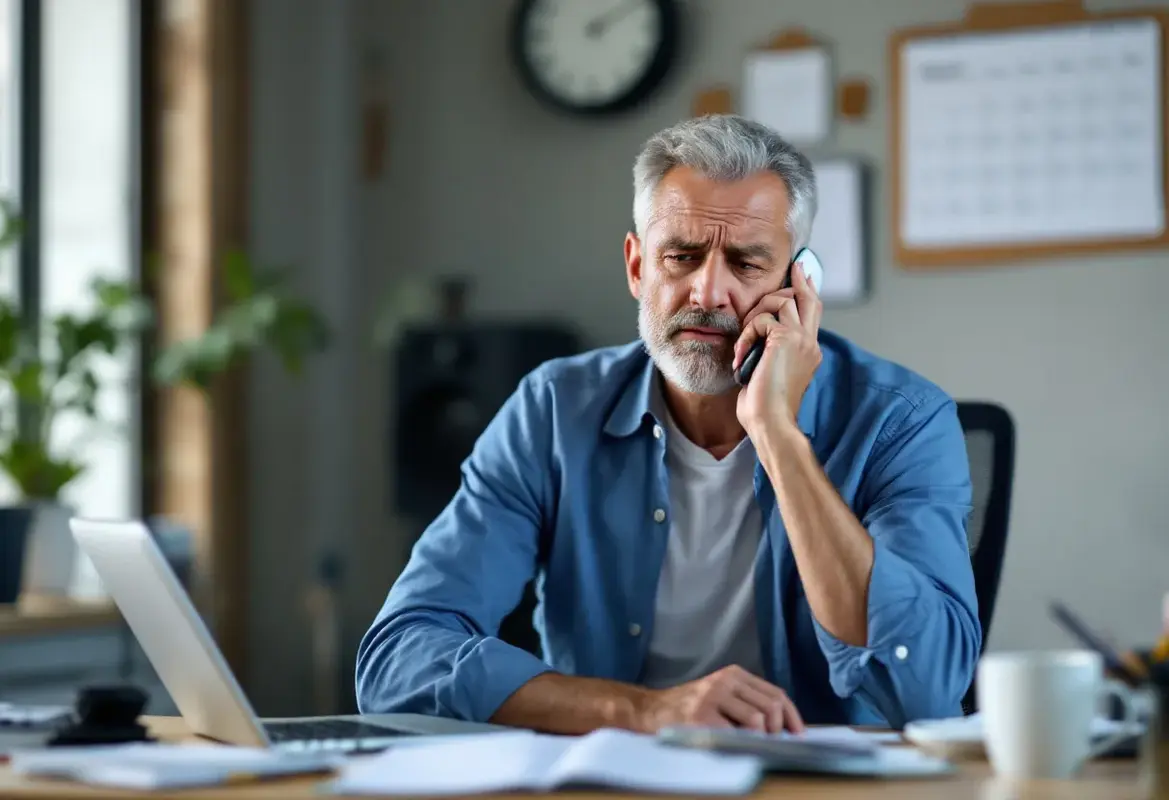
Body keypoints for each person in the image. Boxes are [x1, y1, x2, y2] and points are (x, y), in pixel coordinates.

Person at [355, 114, 980, 733]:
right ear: (636, 267)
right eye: (680, 257)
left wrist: (777, 435)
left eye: (746, 263)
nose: (708, 292)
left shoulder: (903, 423)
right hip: (617, 778)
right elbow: (399, 659)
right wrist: (643, 711)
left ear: (800, 283)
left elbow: (923, 689)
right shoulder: (552, 412)